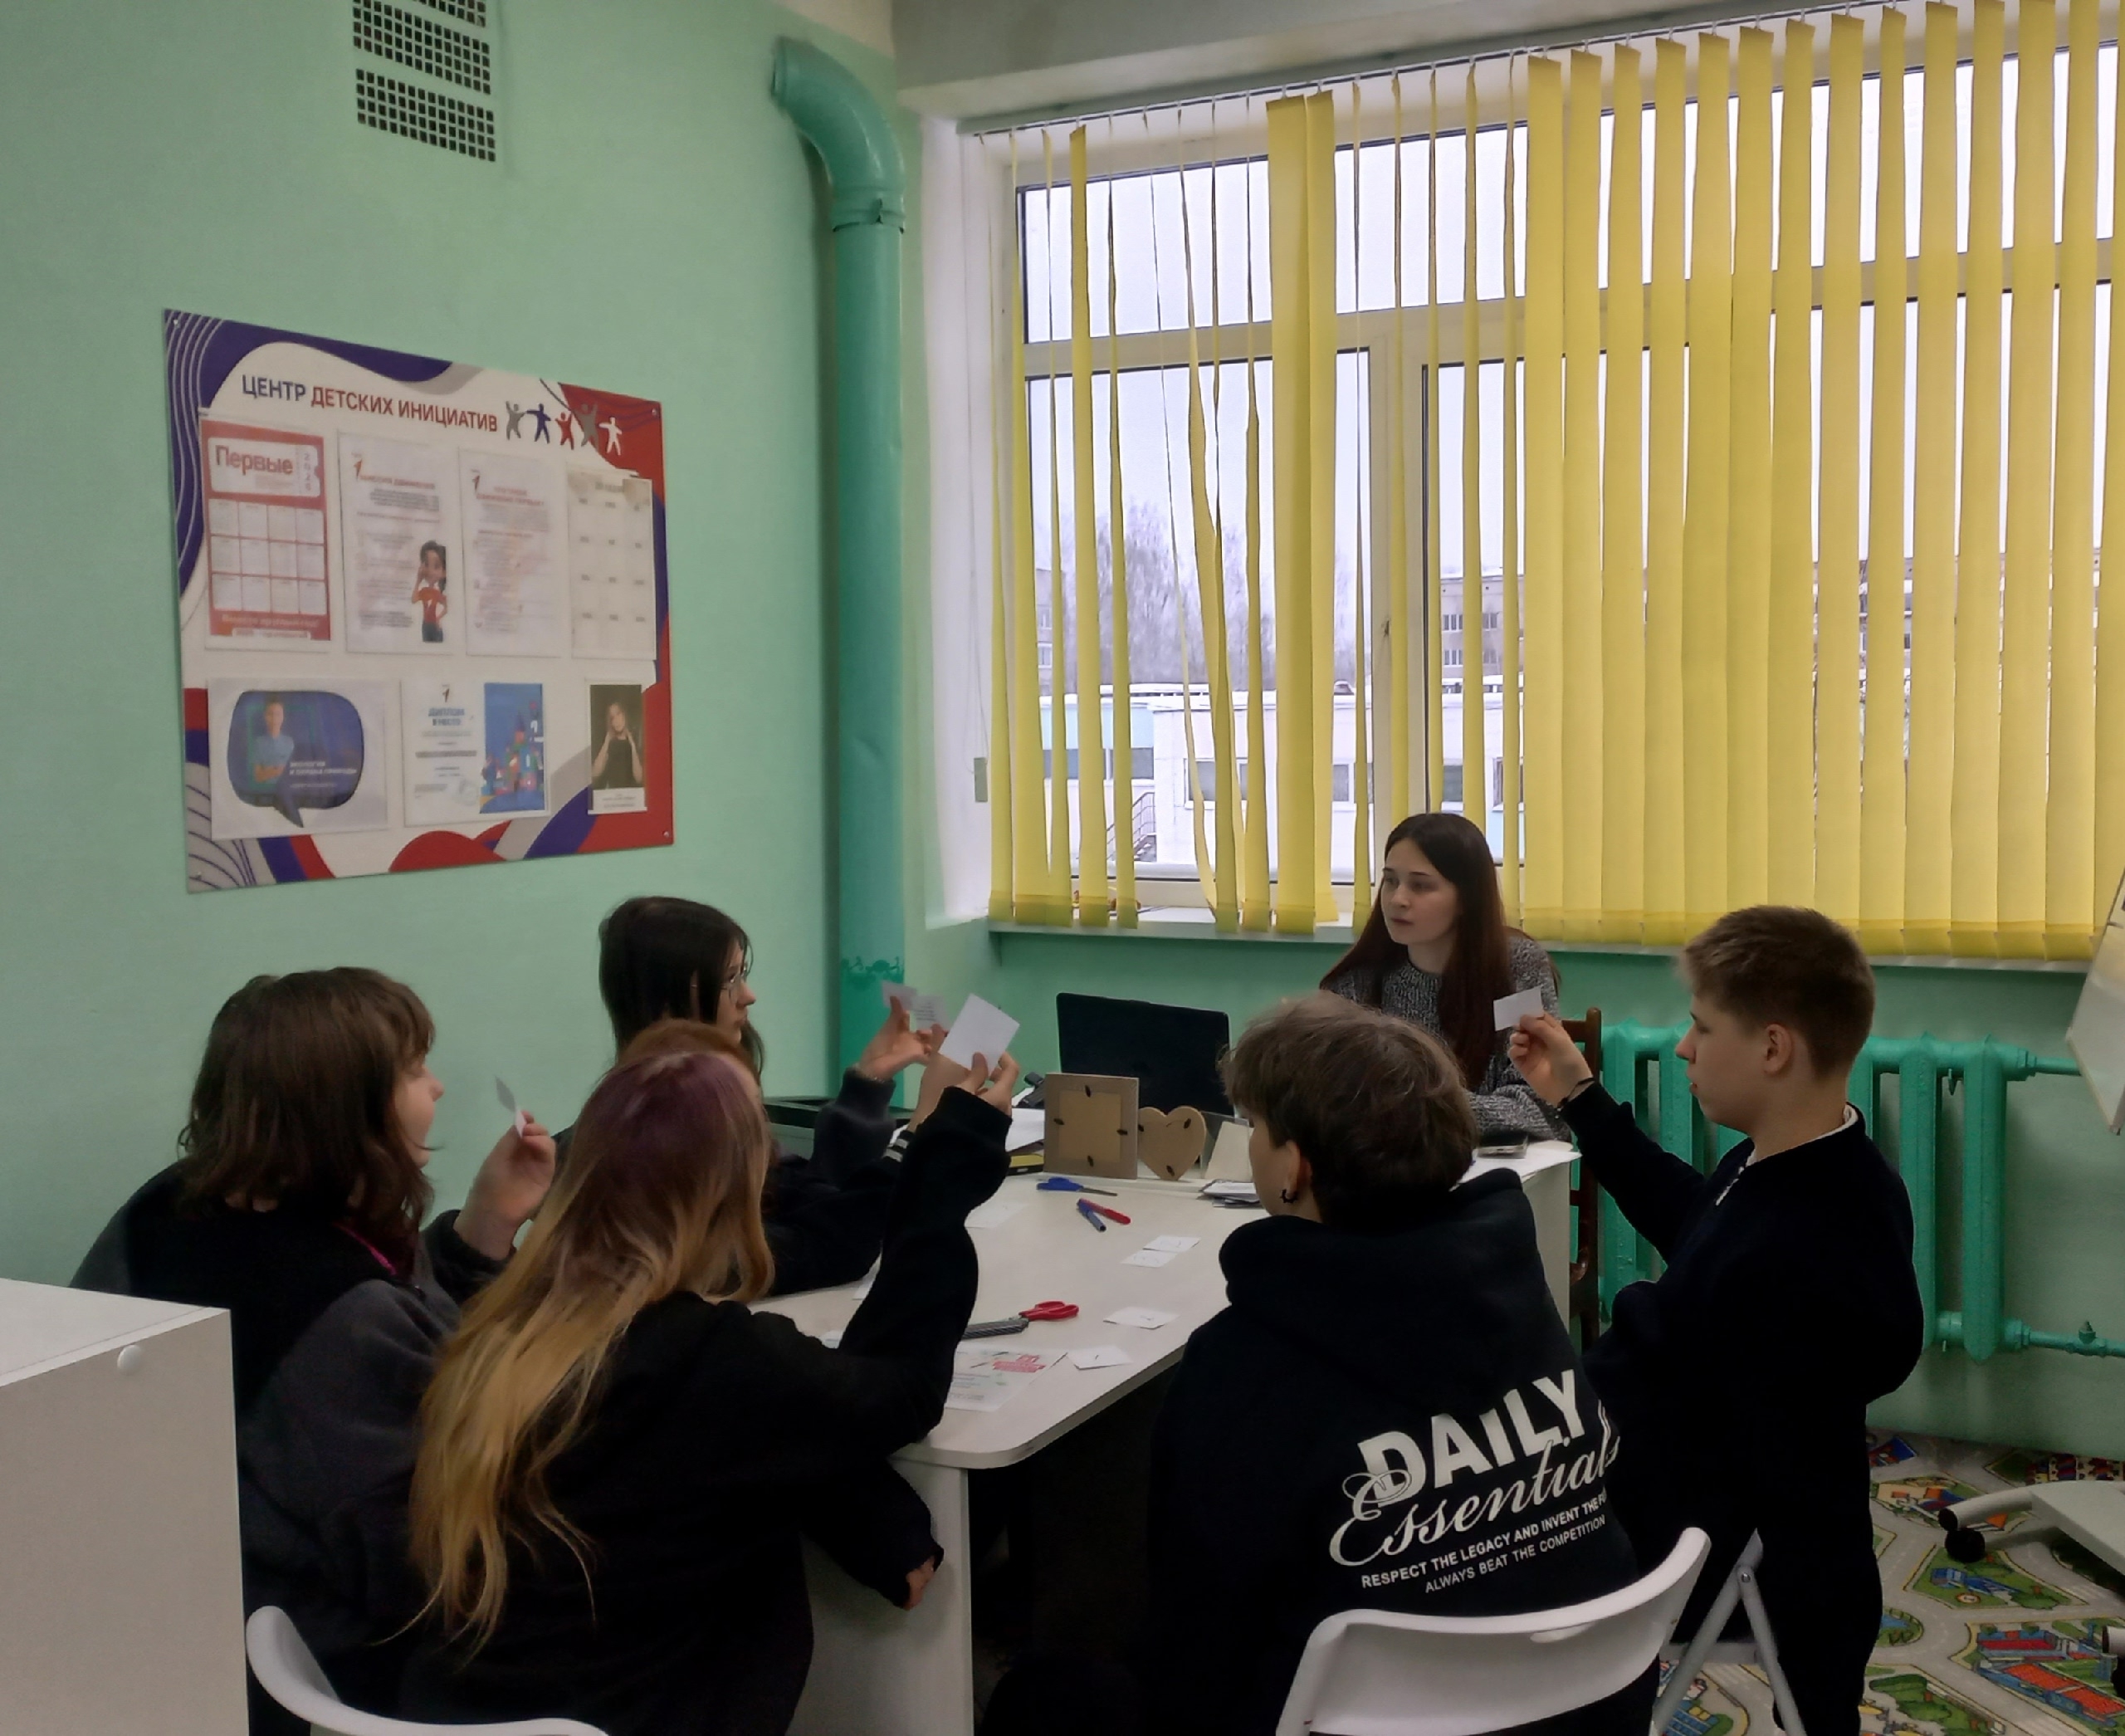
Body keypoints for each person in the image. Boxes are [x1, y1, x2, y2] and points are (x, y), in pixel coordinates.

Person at [401, 1030, 1018, 1736]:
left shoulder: (494, 1331)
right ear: (737, 1194)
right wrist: (942, 1170)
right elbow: (896, 1390)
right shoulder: (710, 1357)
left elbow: (745, 1437)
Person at [1131, 994, 1639, 1736]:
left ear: (1295, 1165)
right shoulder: (1514, 1290)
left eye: (1257, 1126)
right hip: (1589, 1708)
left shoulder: (1243, 1361)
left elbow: (1199, 1635)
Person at [71, 969, 557, 1735]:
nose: (437, 1086)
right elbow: (437, 1564)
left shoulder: (164, 1205)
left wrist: (486, 1226)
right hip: (331, 1653)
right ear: (344, 1110)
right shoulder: (347, 1317)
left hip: (166, 1607)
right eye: (413, 1069)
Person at [1508, 906, 1923, 1736]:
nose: (1683, 1047)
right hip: (1675, 1497)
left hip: (1677, 1549)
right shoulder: (1809, 1162)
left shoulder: (1800, 1249)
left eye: (1701, 1026)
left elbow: (1814, 1514)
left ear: (1772, 1048)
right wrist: (1581, 1099)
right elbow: (1700, 1221)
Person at [588, 894, 940, 1293]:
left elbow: (819, 1204)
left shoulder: (704, 1110)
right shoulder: (648, 1144)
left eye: (742, 974)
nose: (748, 995)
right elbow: (824, 1248)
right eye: (730, 979)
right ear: (670, 1000)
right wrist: (921, 1128)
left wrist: (867, 1084)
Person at [1323, 810, 1567, 1142]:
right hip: (1385, 1163)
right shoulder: (1359, 980)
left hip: (1491, 1162)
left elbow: (1539, 1105)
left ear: (1466, 898)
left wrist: (1414, 1107)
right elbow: (1330, 1101)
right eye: (1390, 880)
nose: (1397, 899)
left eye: (1421, 886)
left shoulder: (1516, 966)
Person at [591, 697, 644, 790]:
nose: (616, 720)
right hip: (611, 794)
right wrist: (607, 741)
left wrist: (632, 745)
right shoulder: (607, 742)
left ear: (625, 715)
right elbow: (595, 773)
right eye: (612, 717)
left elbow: (639, 778)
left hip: (630, 794)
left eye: (618, 714)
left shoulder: (636, 740)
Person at [250, 695, 294, 788]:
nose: (274, 719)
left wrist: (269, 770)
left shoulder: (290, 743)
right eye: (270, 714)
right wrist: (278, 770)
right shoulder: (258, 743)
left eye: (278, 714)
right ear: (265, 717)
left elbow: (293, 773)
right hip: (265, 790)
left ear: (283, 717)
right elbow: (258, 776)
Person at [411, 541, 448, 644]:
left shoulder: (438, 593)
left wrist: (438, 618)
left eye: (436, 566)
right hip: (425, 625)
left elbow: (447, 607)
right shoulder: (425, 591)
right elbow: (414, 599)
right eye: (427, 565)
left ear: (444, 572)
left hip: (434, 625)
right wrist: (418, 580)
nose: (430, 571)